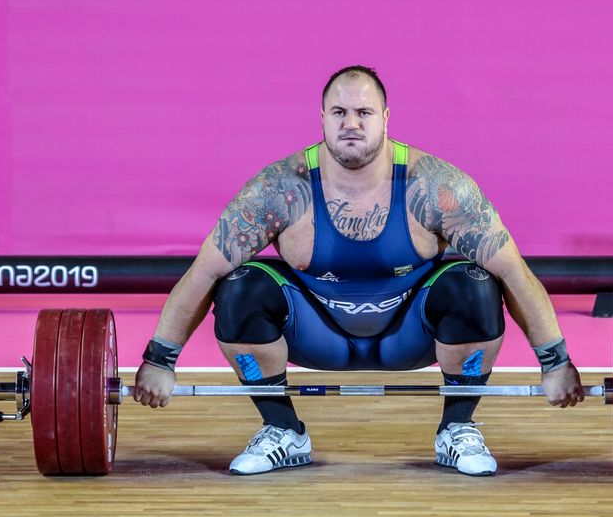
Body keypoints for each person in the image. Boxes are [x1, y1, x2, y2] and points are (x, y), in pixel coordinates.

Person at [134, 65, 584, 476]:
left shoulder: (433, 186)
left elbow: (515, 272)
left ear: (386, 118)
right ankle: (284, 431)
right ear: (323, 118)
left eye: (364, 112)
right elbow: (202, 273)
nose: (351, 124)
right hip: (316, 334)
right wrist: (159, 360)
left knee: (475, 282)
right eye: (340, 112)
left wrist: (556, 362)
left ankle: (456, 430)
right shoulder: (281, 188)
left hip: (408, 335)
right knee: (239, 285)